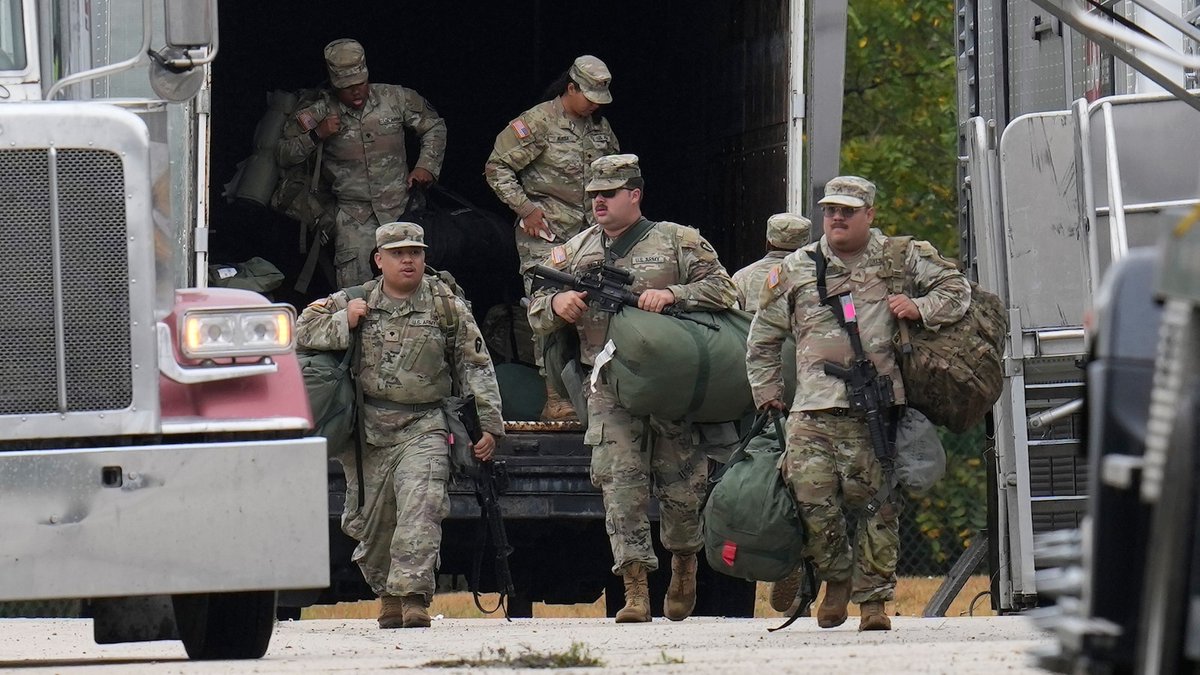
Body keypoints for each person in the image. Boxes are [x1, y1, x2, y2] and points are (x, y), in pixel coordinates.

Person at [746, 176, 971, 631]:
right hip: (812, 407)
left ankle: (873, 603)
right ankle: (836, 576)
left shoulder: (900, 256)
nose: (837, 218)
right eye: (830, 210)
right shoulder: (796, 267)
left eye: (848, 211)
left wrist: (920, 307)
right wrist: (767, 393)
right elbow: (763, 338)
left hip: (879, 407)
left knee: (880, 505)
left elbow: (957, 291)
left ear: (869, 214)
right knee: (810, 501)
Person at [527, 154, 738, 623]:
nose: (599, 202)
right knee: (619, 485)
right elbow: (535, 305)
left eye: (609, 193)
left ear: (635, 194)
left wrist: (674, 294)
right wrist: (557, 304)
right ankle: (636, 588)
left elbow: (725, 290)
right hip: (607, 384)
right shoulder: (576, 249)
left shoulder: (678, 240)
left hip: (669, 386)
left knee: (682, 489)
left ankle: (683, 562)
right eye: (593, 195)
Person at [296, 222, 503, 629]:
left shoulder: (446, 306)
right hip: (368, 430)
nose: (408, 260)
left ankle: (414, 596)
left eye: (415, 253)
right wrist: (343, 321)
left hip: (425, 424)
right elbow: (301, 328)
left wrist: (489, 426)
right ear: (379, 260)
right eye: (397, 254)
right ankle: (387, 594)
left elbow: (475, 365)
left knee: (422, 506)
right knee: (372, 521)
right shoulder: (355, 299)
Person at [484, 55, 620, 420]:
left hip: (591, 237)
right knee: (548, 310)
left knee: (595, 311)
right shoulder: (537, 122)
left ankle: (596, 394)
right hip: (548, 236)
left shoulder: (599, 127)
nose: (595, 105)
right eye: (589, 97)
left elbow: (615, 175)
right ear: (571, 88)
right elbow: (497, 167)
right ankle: (555, 398)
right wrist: (525, 208)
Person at [279, 39, 447, 289]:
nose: (356, 92)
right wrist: (317, 134)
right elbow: (284, 155)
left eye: (360, 84)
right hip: (353, 220)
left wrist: (426, 166)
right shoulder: (319, 111)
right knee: (356, 297)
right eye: (347, 88)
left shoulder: (395, 98)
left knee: (415, 290)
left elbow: (434, 126)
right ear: (334, 85)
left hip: (402, 210)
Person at [731, 212, 811, 311]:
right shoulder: (817, 276)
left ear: (768, 243)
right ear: (807, 244)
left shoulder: (742, 277)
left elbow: (732, 317)